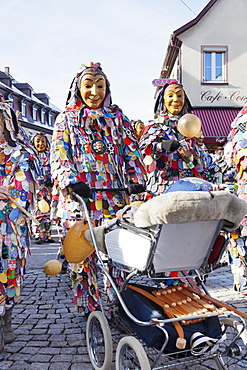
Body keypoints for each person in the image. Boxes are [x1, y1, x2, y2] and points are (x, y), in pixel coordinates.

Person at [50, 62, 146, 314]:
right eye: (88, 85)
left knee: (117, 249)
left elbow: (131, 151)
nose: (94, 91)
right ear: (78, 89)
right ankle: (88, 305)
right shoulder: (66, 119)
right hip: (80, 198)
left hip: (113, 197)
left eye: (100, 86)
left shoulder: (118, 117)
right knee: (83, 253)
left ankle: (118, 304)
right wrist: (71, 181)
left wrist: (136, 177)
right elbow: (60, 155)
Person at [0, 99, 40, 359]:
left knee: (10, 273)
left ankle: (6, 321)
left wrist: (11, 192)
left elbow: (26, 189)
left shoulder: (19, 155)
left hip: (9, 226)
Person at [139, 82, 209, 194]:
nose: (176, 100)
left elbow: (203, 161)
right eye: (170, 96)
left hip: (190, 189)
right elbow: (142, 153)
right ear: (163, 100)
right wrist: (161, 146)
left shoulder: (191, 125)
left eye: (180, 96)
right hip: (163, 188)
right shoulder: (154, 127)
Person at [31, 133, 55, 244]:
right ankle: (38, 235)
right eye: (38, 141)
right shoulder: (31, 156)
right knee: (38, 211)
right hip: (36, 188)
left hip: (48, 188)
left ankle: (47, 234)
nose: (41, 144)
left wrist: (52, 179)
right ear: (33, 143)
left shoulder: (50, 155)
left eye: (43, 141)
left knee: (49, 212)